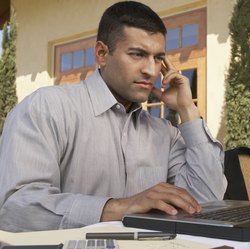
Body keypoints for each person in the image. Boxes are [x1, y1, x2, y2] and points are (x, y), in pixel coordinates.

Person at [0, 1, 227, 232]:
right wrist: (121, 207)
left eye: (158, 58)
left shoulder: (165, 132)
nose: (151, 70)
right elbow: (16, 208)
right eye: (138, 54)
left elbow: (206, 200)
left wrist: (187, 109)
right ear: (101, 54)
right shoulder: (46, 108)